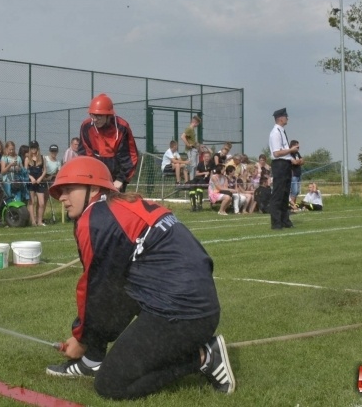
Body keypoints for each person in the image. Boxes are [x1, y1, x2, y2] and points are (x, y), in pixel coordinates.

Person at [45, 156, 235, 398]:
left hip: (182, 314)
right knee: (116, 289)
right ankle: (92, 361)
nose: (61, 197)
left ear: (93, 188)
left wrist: (81, 339)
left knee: (111, 384)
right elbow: (115, 289)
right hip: (195, 304)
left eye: (68, 189)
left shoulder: (96, 219)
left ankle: (203, 358)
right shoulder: (118, 206)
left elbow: (96, 288)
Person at [77, 93, 139, 191]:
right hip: (95, 175)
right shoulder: (86, 126)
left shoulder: (121, 127)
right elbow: (85, 153)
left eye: (99, 116)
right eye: (92, 115)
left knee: (114, 204)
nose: (95, 119)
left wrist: (121, 179)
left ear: (108, 115)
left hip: (116, 177)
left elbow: (129, 156)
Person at [268, 108, 297, 230]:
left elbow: (284, 152)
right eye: (286, 116)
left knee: (285, 193)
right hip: (279, 164)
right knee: (278, 193)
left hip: (285, 164)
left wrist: (292, 159)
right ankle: (276, 222)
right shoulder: (275, 133)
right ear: (280, 118)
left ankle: (285, 219)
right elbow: (276, 153)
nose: (287, 118)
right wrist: (291, 150)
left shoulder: (282, 131)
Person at [25, 141, 48, 226]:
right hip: (31, 182)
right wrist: (31, 178)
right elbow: (26, 171)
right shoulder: (27, 159)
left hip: (40, 182)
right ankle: (33, 221)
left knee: (41, 203)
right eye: (32, 148)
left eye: (35, 147)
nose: (33, 149)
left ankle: (40, 221)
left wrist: (40, 178)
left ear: (38, 148)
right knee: (32, 202)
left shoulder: (42, 158)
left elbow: (45, 170)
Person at [180, 114, 202, 181]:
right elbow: (182, 136)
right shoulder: (189, 128)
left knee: (195, 165)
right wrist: (188, 144)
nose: (197, 125)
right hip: (191, 150)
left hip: (194, 150)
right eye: (198, 123)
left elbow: (192, 140)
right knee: (192, 165)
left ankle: (194, 179)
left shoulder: (192, 130)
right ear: (195, 122)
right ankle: (191, 180)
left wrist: (198, 145)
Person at [289, 140, 304, 211]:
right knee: (293, 192)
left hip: (298, 174)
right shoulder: (289, 153)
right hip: (293, 175)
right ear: (292, 146)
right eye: (297, 146)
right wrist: (298, 162)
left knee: (297, 192)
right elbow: (294, 162)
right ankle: (292, 207)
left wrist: (298, 161)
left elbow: (303, 161)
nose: (298, 148)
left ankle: (294, 206)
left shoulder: (297, 153)